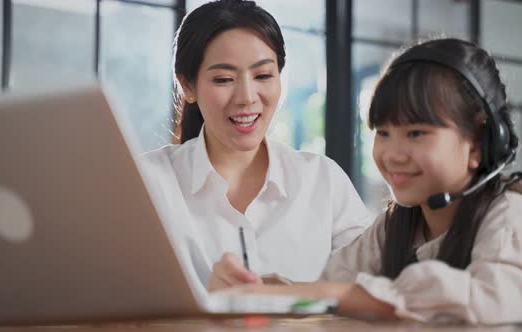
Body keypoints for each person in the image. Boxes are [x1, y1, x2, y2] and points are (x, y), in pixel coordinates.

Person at [226, 38, 522, 324]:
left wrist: (346, 295)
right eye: (383, 133)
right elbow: (332, 287)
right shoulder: (396, 224)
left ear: (476, 144)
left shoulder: (507, 215)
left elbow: (489, 303)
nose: (393, 153)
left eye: (416, 133)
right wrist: (268, 291)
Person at [141, 0, 371, 292]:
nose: (247, 97)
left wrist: (292, 295)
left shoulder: (324, 181)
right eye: (224, 79)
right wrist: (206, 302)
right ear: (187, 86)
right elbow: (113, 296)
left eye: (263, 75)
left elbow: (376, 291)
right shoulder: (147, 180)